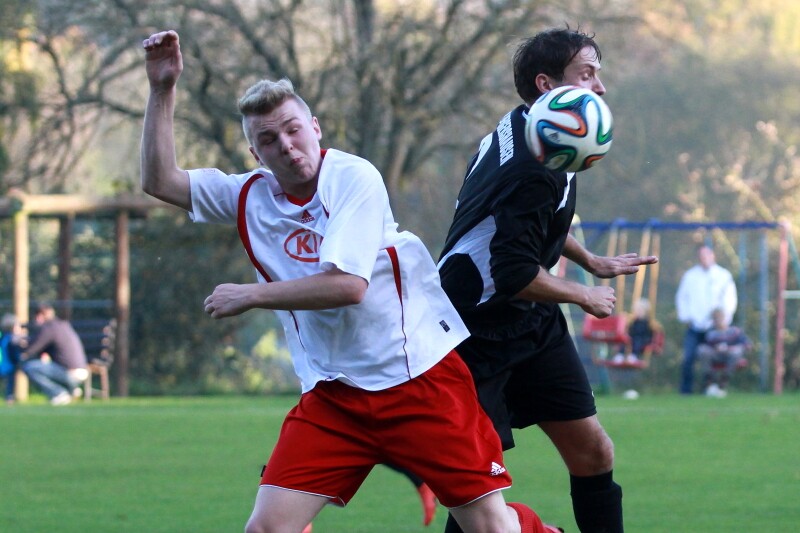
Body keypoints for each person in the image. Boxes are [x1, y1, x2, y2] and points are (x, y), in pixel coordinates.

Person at [141, 30, 559, 533]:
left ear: (315, 128)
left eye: (293, 129)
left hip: (418, 381)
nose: (286, 145)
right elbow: (160, 181)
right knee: (266, 529)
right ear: (255, 154)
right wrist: (162, 89)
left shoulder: (353, 177)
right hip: (335, 396)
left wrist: (252, 295)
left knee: (491, 528)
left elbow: (347, 286)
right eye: (269, 140)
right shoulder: (249, 196)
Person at [437, 27, 658, 533]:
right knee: (478, 486)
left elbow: (536, 224)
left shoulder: (537, 128)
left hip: (530, 318)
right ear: (546, 84)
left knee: (593, 452)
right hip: (472, 330)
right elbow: (513, 271)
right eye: (587, 74)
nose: (600, 86)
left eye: (598, 73)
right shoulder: (533, 166)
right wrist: (584, 294)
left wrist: (590, 260)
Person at [675, 244, 738, 394]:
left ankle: (710, 388)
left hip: (714, 328)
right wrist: (686, 317)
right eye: (701, 256)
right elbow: (682, 298)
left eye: (707, 255)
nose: (704, 258)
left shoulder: (723, 275)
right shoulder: (690, 276)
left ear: (712, 255)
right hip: (694, 326)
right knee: (688, 357)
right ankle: (686, 391)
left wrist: (723, 320)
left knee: (710, 358)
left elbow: (730, 300)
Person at [20, 303, 88, 406]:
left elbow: (31, 349)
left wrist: (21, 346)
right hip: (81, 370)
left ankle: (59, 393)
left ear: (40, 316)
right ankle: (71, 390)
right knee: (43, 365)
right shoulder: (63, 325)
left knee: (30, 367)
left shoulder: (49, 328)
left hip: (69, 372)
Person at [696, 308, 751, 398]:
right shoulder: (710, 333)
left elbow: (747, 345)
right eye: (715, 319)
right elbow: (704, 345)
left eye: (719, 318)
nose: (718, 321)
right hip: (715, 355)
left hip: (731, 356)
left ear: (725, 318)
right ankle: (711, 382)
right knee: (702, 350)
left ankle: (723, 382)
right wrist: (715, 348)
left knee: (736, 352)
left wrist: (730, 348)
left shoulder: (735, 331)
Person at [611, 298, 661, 366]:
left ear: (645, 312)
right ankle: (620, 355)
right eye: (637, 310)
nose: (638, 312)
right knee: (626, 340)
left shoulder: (648, 322)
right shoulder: (634, 321)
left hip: (644, 338)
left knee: (637, 341)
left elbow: (651, 332)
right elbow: (631, 330)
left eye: (640, 310)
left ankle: (633, 356)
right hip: (634, 337)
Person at [1, 313, 25, 405]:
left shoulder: (3, 337)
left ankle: (9, 397)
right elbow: (14, 352)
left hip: (3, 364)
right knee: (10, 383)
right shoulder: (12, 338)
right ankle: (9, 398)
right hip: (9, 365)